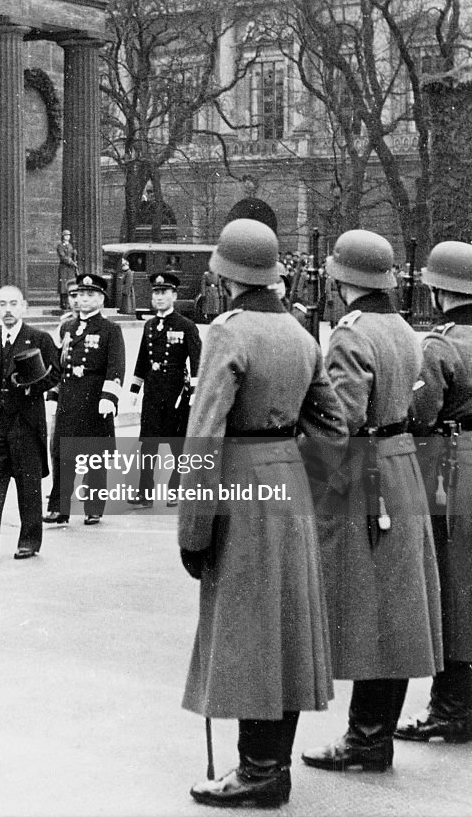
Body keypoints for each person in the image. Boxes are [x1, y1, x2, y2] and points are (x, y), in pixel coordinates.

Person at [178, 219, 348, 809]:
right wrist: (304, 483)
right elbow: (332, 426)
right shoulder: (302, 333)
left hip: (240, 486)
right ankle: (269, 765)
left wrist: (194, 529)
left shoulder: (227, 333)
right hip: (290, 486)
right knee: (286, 627)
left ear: (224, 277)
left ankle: (257, 773)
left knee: (251, 628)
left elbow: (203, 439)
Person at [302, 229, 443, 773]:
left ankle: (364, 741)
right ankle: (372, 735)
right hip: (401, 463)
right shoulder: (406, 329)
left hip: (363, 476)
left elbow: (340, 422)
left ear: (340, 281)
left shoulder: (350, 335)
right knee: (398, 606)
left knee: (367, 608)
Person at [395, 241, 472, 744]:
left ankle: (451, 708)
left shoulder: (440, 345)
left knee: (454, 587)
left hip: (455, 467)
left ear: (439, 289)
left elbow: (421, 414)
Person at [0, 286, 60, 560]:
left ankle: (29, 541)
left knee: (28, 486)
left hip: (25, 425)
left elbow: (56, 374)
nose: (8, 309)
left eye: (13, 304)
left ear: (24, 307)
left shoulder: (39, 338)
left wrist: (32, 386)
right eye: (3, 304)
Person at [44, 273, 125, 525]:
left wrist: (109, 397)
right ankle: (59, 507)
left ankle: (94, 507)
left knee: (94, 455)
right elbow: (59, 365)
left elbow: (116, 366)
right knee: (61, 453)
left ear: (101, 298)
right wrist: (52, 395)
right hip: (69, 399)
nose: (84, 299)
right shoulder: (67, 327)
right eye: (80, 294)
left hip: (94, 400)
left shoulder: (110, 329)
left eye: (91, 295)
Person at [129, 273, 201, 508]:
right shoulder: (150, 325)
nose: (159, 297)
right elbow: (142, 359)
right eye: (155, 293)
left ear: (174, 296)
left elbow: (197, 361)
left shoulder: (186, 325)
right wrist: (134, 390)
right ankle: (144, 492)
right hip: (152, 392)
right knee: (148, 444)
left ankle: (174, 489)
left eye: (164, 292)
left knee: (176, 446)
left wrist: (194, 393)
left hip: (176, 393)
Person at [56, 229, 78, 309]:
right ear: (63, 236)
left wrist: (74, 253)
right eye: (66, 235)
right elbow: (62, 256)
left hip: (70, 269)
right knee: (63, 286)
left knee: (70, 285)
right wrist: (71, 262)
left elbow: (72, 255)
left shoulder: (70, 246)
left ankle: (69, 303)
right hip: (64, 267)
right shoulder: (60, 246)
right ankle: (63, 303)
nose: (67, 237)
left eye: (68, 235)